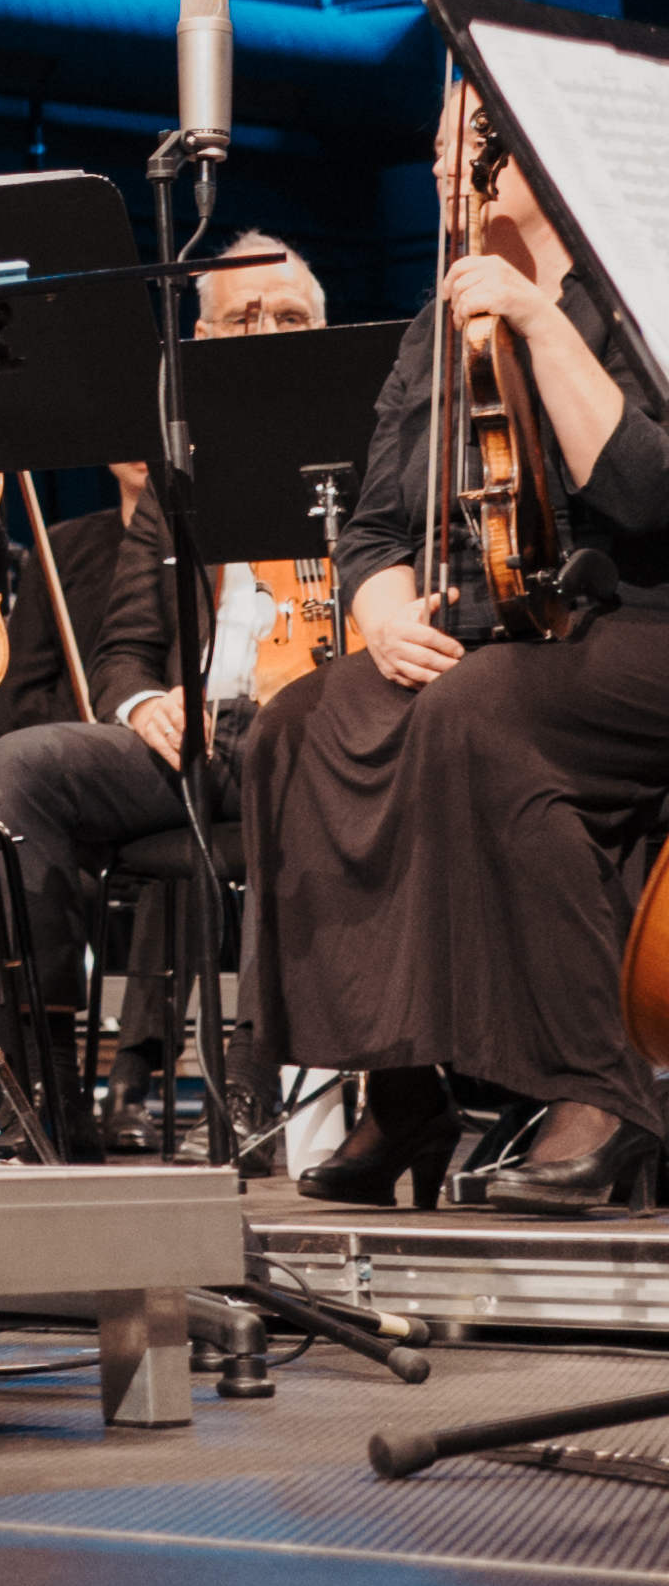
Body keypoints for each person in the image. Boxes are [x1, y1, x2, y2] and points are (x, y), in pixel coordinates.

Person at [249, 114, 669, 1213]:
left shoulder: (641, 285)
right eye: (438, 140)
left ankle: (600, 1091)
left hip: (640, 624)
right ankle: (401, 1090)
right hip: (490, 627)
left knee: (481, 711)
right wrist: (384, 612)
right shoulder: (432, 328)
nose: (444, 160)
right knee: (298, 727)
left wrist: (536, 317)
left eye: (474, 134)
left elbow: (645, 492)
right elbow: (374, 527)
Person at [0, 244, 328, 1147]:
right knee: (21, 768)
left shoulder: (362, 455)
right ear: (201, 337)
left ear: (324, 334)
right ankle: (45, 1087)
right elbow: (123, 650)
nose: (266, 334)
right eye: (243, 317)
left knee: (294, 741)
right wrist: (141, 704)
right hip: (196, 739)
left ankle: (249, 1085)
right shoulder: (179, 479)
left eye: (289, 318)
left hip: (318, 731)